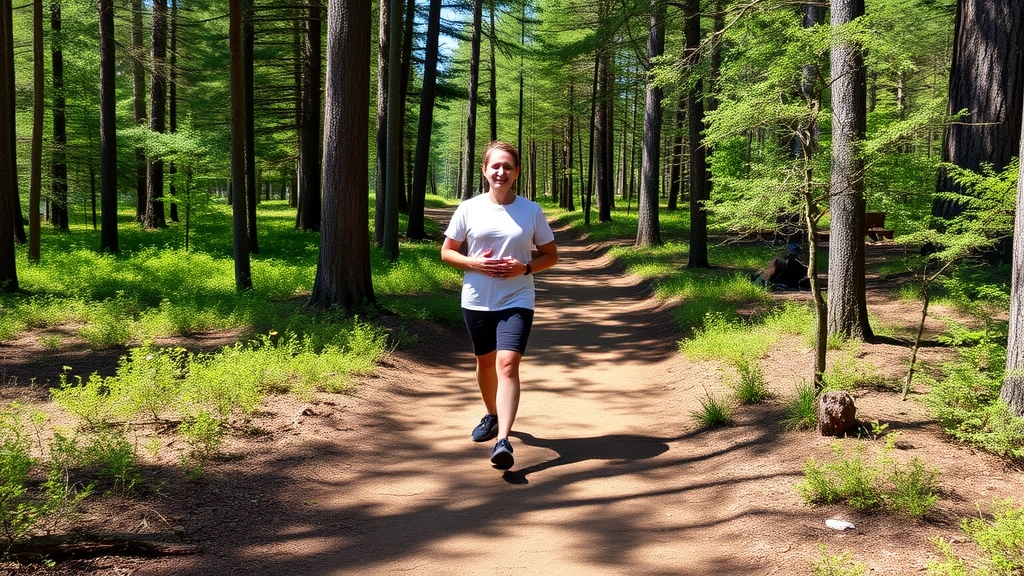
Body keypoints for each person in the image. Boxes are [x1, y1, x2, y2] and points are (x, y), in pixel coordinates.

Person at [440, 140, 558, 470]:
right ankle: (491, 414)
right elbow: (447, 252)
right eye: (495, 166)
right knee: (485, 362)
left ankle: (503, 440)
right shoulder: (469, 208)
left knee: (507, 364)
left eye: (508, 166)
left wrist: (526, 268)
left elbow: (552, 255)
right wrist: (474, 263)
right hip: (477, 299)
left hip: (517, 297)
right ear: (485, 170)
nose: (501, 172)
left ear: (517, 172)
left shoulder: (531, 211)